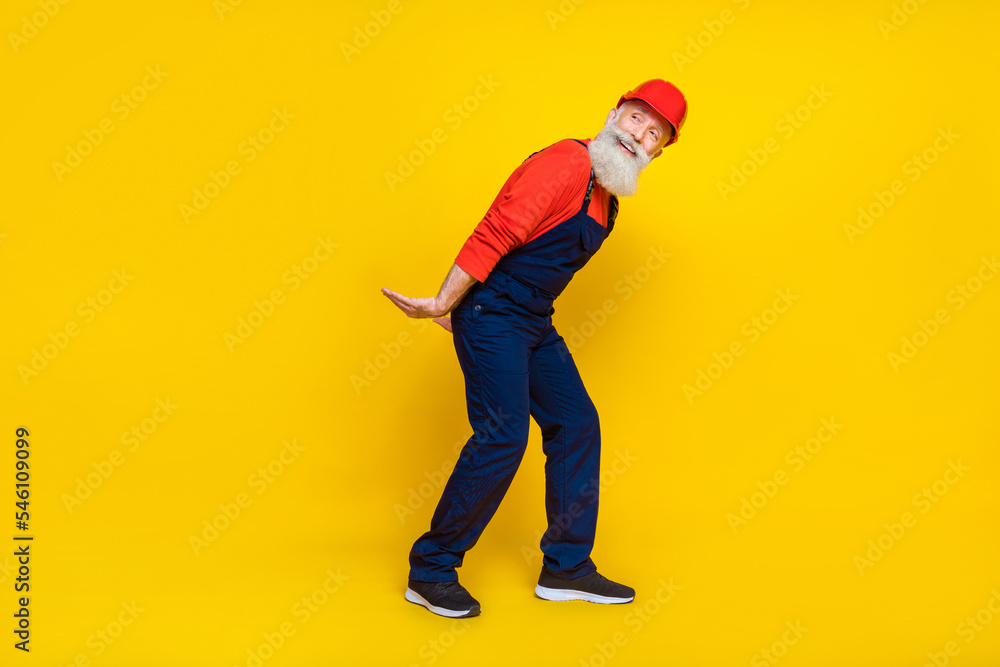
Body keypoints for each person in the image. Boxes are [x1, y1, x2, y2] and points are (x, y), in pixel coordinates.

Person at [381, 79, 688, 618]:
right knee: (503, 437)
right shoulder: (567, 163)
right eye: (637, 117)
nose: (640, 133)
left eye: (654, 132)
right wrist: (448, 303)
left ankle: (566, 568)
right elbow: (496, 231)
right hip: (494, 311)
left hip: (529, 322)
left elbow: (540, 270)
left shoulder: (607, 201)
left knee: (576, 424)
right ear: (614, 113)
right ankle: (431, 570)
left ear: (658, 152)